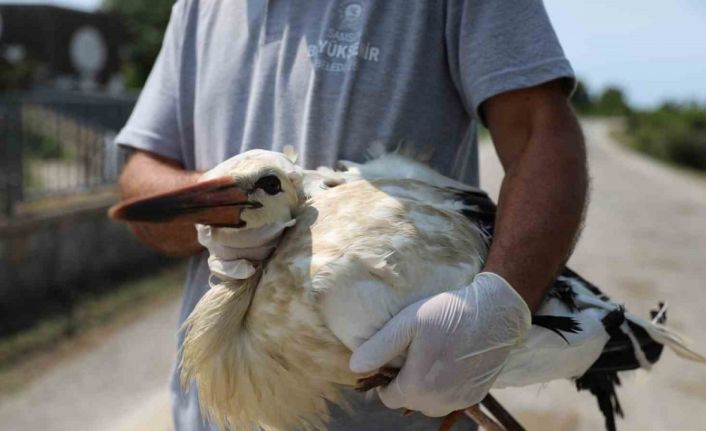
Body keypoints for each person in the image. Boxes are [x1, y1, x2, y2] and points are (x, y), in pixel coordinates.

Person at [114, 1, 587, 429]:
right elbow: (139, 177)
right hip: (213, 417)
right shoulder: (200, 7)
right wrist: (226, 213)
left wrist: (498, 308)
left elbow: (541, 133)